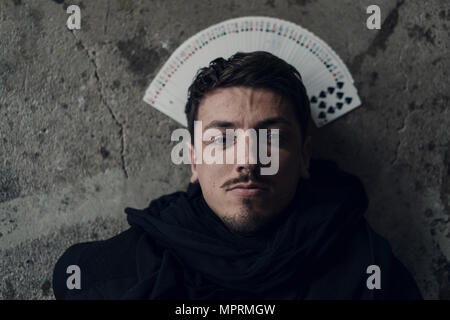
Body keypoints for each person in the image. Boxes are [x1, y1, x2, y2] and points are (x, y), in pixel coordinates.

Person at [53, 51, 422, 299]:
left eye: (272, 137)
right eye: (223, 139)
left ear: (305, 158)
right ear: (194, 161)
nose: (248, 160)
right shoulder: (121, 272)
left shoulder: (372, 274)